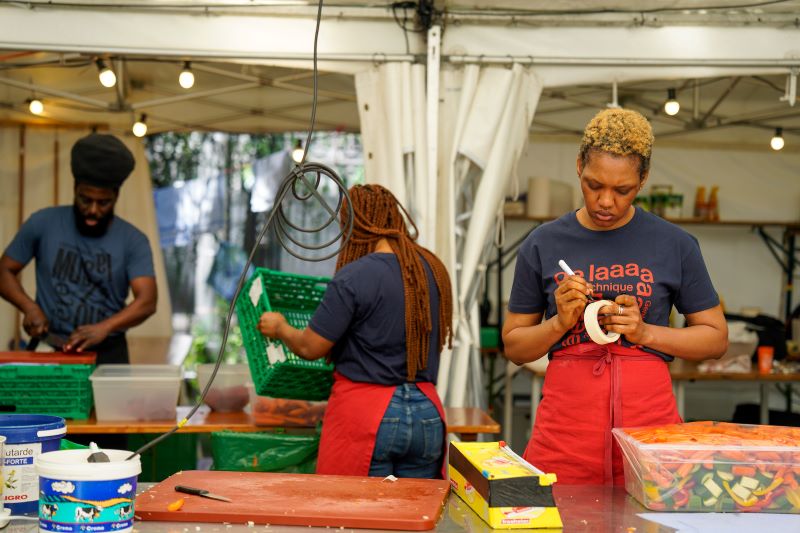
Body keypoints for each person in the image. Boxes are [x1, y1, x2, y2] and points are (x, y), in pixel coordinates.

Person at [502, 108, 728, 485]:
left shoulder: (675, 245)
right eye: (594, 185)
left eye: (621, 190)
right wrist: (559, 322)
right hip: (565, 433)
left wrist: (646, 334)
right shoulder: (542, 243)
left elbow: (716, 338)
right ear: (578, 167)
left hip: (648, 432)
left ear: (642, 180)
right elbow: (515, 346)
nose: (605, 200)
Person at [257, 184, 453, 478]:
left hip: (369, 418)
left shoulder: (355, 276)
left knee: (361, 518)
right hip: (428, 414)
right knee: (414, 518)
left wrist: (282, 328)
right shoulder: (432, 270)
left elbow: (311, 347)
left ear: (351, 223)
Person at [0, 133, 158, 364]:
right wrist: (29, 307)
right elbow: (4, 270)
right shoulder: (42, 223)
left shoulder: (133, 240)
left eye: (103, 202)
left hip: (107, 353)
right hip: (49, 347)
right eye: (85, 199)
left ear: (116, 195)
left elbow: (147, 300)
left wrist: (105, 327)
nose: (93, 210)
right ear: (74, 188)